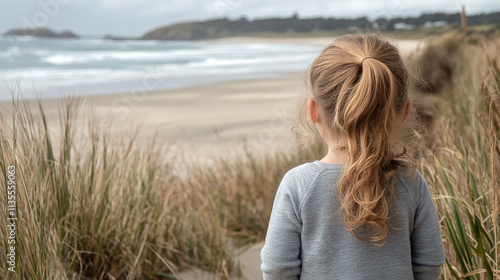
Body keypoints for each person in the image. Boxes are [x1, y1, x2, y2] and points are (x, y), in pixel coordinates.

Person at [260, 34, 445, 279]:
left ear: (313, 111)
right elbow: (429, 266)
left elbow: (277, 270)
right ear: (405, 111)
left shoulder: (298, 185)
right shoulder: (411, 182)